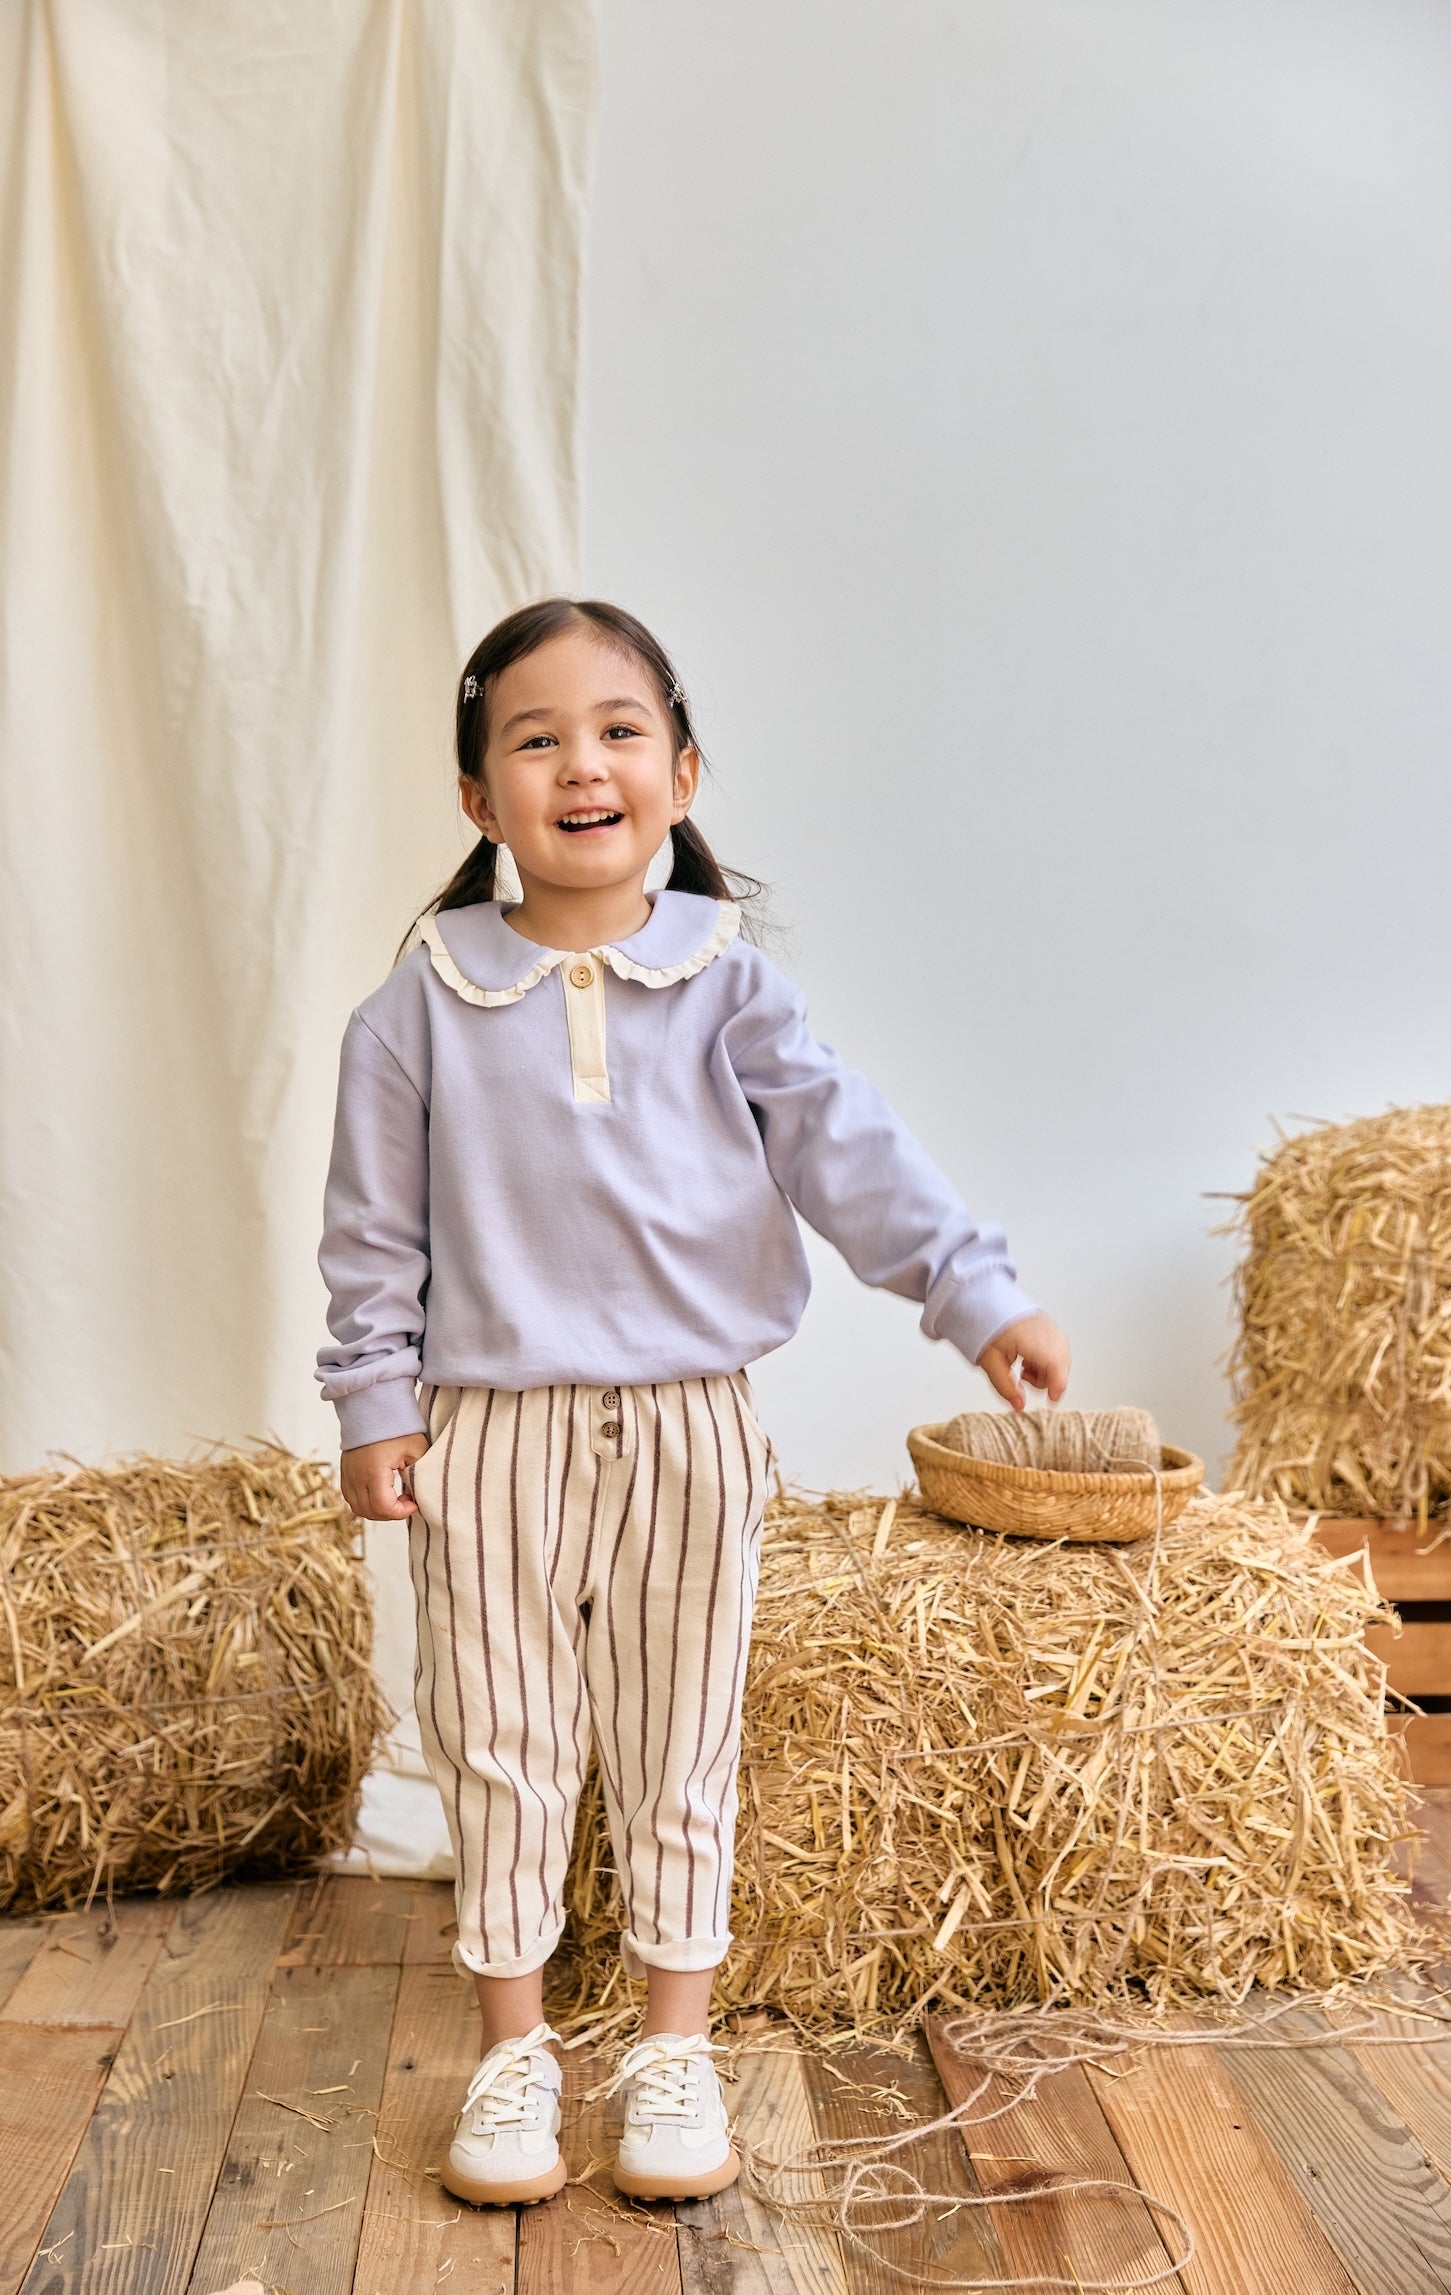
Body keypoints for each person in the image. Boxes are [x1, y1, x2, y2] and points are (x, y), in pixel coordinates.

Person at [317, 597, 1070, 2208]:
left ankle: (675, 2045)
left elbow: (846, 1151)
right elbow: (372, 1231)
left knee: (679, 1740)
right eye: (533, 738)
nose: (579, 763)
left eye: (617, 730)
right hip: (489, 1436)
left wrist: (975, 1293)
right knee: (500, 1743)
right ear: (476, 800)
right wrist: (374, 1401)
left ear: (682, 772)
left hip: (691, 1427)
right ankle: (514, 2052)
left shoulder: (732, 988)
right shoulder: (419, 1007)